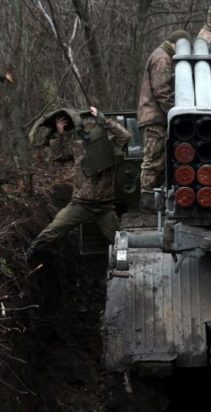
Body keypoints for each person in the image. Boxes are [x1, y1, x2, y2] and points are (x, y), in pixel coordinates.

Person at [26, 106, 131, 260]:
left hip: (104, 207)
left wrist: (105, 120)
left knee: (119, 243)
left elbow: (125, 136)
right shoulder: (79, 148)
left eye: (92, 128)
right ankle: (31, 252)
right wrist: (60, 134)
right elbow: (58, 156)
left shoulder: (110, 147)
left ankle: (123, 264)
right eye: (86, 129)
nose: (89, 132)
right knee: (54, 229)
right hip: (80, 204)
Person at [137, 29, 190, 211]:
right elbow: (162, 92)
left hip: (155, 116)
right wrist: (178, 114)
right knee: (154, 159)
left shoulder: (161, 55)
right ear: (176, 44)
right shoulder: (163, 58)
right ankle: (147, 200)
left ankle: (152, 200)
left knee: (158, 159)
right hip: (155, 118)